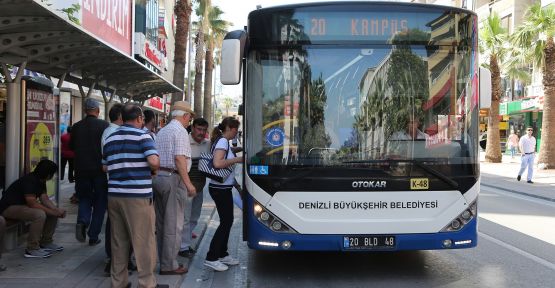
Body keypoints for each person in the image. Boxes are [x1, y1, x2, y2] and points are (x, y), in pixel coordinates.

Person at [102, 103, 166, 288]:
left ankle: (119, 282)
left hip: (114, 195)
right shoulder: (143, 135)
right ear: (139, 119)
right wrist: (152, 169)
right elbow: (153, 161)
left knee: (118, 242)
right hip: (137, 197)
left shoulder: (111, 138)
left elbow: (105, 166)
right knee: (144, 242)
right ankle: (147, 283)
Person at [153, 101, 196, 275]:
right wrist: (188, 184)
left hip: (159, 177)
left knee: (162, 223)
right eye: (189, 118)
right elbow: (179, 159)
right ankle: (169, 264)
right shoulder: (180, 131)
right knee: (174, 224)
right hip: (173, 178)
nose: (189, 122)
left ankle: (164, 260)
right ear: (185, 116)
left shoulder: (163, 130)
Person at [0, 160, 65, 258]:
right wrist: (52, 211)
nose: (53, 176)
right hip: (8, 208)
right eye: (52, 174)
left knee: (52, 212)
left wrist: (56, 210)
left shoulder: (41, 181)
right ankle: (32, 248)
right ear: (47, 174)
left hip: (22, 206)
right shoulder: (30, 180)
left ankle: (46, 242)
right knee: (39, 215)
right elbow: (32, 203)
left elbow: (44, 199)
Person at [204, 117, 243, 272]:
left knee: (227, 220)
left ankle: (222, 253)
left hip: (223, 188)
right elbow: (218, 163)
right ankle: (211, 257)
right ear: (230, 128)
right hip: (219, 189)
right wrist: (238, 160)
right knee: (226, 222)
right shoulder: (222, 142)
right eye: (235, 130)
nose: (236, 133)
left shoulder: (223, 142)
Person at [70, 98, 109, 245]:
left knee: (84, 198)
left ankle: (82, 220)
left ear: (85, 111)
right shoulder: (104, 126)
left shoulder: (76, 127)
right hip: (100, 170)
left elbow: (72, 146)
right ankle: (93, 236)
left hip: (81, 170)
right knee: (100, 202)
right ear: (98, 111)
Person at [100, 103, 132, 276]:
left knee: (115, 224)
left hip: (115, 184)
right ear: (120, 117)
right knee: (117, 225)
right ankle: (114, 260)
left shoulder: (109, 132)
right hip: (119, 185)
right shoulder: (114, 133)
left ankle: (117, 260)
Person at [179, 118, 210, 258]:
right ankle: (183, 247)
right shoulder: (184, 142)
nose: (201, 133)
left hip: (200, 187)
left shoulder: (208, 144)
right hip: (186, 186)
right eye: (199, 129)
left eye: (204, 130)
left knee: (195, 217)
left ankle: (185, 243)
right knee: (185, 217)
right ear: (192, 128)